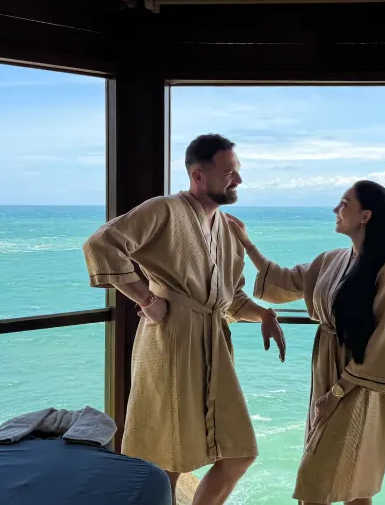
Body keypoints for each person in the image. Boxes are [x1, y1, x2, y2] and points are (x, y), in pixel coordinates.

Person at [82, 133, 287, 505]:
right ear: (198, 175)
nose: (238, 180)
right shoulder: (164, 210)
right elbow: (100, 245)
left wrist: (265, 314)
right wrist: (146, 297)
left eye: (237, 172)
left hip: (212, 346)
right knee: (166, 455)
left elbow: (229, 298)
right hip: (170, 342)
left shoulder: (228, 228)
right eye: (229, 173)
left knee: (240, 451)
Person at [227, 180, 385, 505]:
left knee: (326, 482)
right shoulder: (331, 260)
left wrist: (335, 394)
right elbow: (284, 279)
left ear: (364, 216)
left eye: (344, 204)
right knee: (350, 484)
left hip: (355, 388)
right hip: (324, 371)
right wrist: (246, 243)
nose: (336, 210)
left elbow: (381, 345)